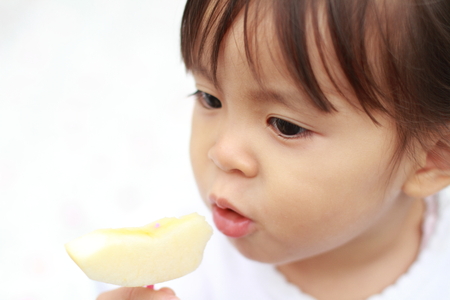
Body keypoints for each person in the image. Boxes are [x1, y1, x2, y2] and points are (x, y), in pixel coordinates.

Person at [98, 0, 450, 299]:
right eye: (210, 98)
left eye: (286, 126)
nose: (222, 153)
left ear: (430, 158)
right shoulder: (180, 278)